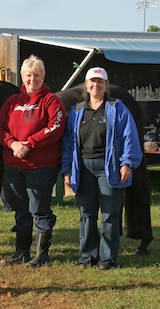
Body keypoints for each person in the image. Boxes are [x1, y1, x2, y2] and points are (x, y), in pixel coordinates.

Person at [61, 66, 142, 270]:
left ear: (106, 86)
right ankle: (88, 256)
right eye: (92, 81)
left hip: (110, 168)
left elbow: (129, 137)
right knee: (86, 213)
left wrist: (127, 164)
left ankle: (107, 258)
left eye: (100, 82)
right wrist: (68, 170)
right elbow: (69, 143)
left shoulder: (118, 108)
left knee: (109, 214)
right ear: (86, 86)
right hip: (83, 168)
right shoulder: (77, 112)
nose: (96, 85)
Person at [0, 54, 66, 268]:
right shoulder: (12, 102)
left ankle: (41, 254)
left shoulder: (51, 101)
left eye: (36, 75)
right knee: (20, 209)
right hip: (13, 165)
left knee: (39, 208)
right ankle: (21, 251)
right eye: (28, 75)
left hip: (41, 167)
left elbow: (56, 127)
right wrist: (13, 144)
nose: (32, 80)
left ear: (43, 77)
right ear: (22, 77)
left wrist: (30, 143)